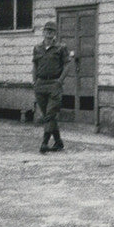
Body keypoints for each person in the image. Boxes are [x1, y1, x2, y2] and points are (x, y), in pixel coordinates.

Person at [33, 20, 74, 153]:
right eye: (47, 31)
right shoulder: (37, 48)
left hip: (54, 84)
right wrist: (34, 82)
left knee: (50, 114)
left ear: (55, 33)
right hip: (40, 84)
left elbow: (67, 65)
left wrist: (60, 81)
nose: (49, 33)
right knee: (48, 116)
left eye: (52, 31)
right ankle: (58, 142)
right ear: (43, 32)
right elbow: (35, 65)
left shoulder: (61, 48)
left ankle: (44, 143)